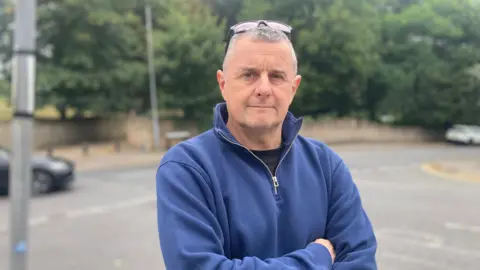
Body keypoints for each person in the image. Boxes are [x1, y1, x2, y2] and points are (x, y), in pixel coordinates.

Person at [155, 20, 377, 269]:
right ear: (223, 84)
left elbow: (360, 261)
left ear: (294, 88)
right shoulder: (187, 168)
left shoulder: (326, 165)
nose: (263, 88)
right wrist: (317, 257)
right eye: (249, 75)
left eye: (277, 76)